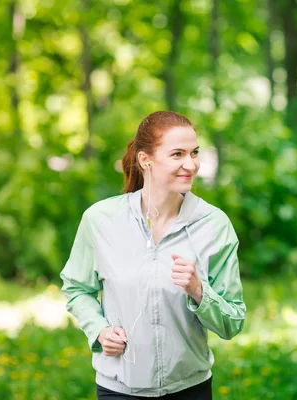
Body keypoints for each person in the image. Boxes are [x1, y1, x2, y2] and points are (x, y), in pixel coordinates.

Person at [59, 111, 246, 399]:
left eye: (194, 153)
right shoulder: (101, 220)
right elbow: (77, 289)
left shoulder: (214, 225)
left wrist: (198, 291)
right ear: (146, 160)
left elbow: (233, 321)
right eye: (177, 154)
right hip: (118, 389)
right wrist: (99, 330)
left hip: (189, 389)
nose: (191, 164)